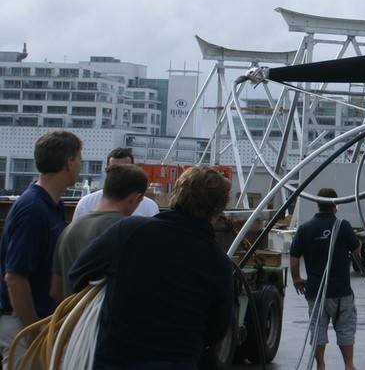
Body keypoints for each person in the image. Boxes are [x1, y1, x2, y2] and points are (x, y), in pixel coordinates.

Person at [69, 165, 234, 369]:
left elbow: (78, 274)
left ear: (177, 195)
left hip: (117, 360)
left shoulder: (130, 231)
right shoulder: (219, 263)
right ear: (217, 209)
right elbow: (215, 333)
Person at [0, 130, 82, 365]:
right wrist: (33, 330)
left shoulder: (50, 205)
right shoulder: (33, 210)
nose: (79, 164)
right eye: (79, 159)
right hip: (25, 322)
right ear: (69, 163)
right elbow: (15, 277)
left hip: (37, 319)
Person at [51, 164, 150, 300]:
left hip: (73, 319)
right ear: (134, 198)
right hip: (109, 320)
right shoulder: (129, 231)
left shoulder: (69, 230)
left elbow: (55, 290)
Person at [289, 188, 361, 370]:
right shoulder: (342, 226)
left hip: (315, 291)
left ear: (317, 203)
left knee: (318, 329)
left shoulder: (304, 228)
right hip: (340, 291)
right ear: (335, 205)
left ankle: (320, 365)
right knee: (345, 328)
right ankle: (349, 365)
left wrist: (296, 278)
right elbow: (356, 249)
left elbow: (294, 255)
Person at [73, 147, 160, 219]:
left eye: (125, 170)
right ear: (106, 171)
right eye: (114, 170)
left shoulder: (150, 207)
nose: (120, 175)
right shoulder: (86, 203)